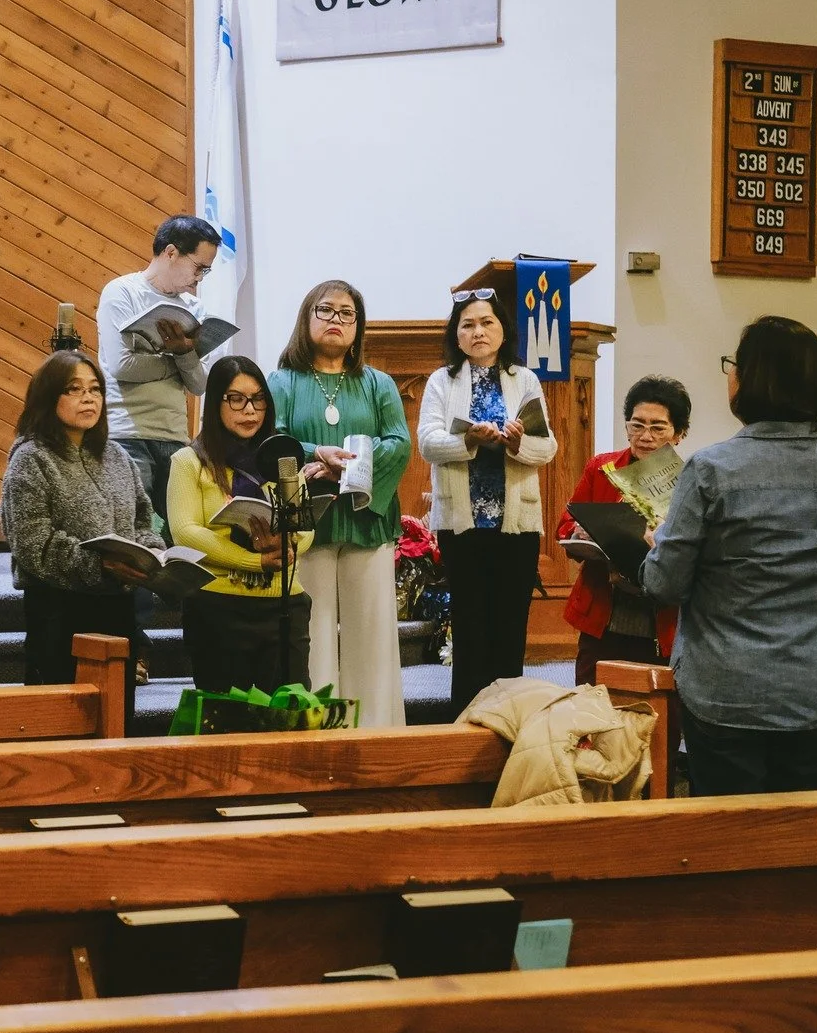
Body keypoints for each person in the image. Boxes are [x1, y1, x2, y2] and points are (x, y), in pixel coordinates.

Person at [640, 317, 817, 796]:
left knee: (727, 844)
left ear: (751, 381)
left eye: (735, 365)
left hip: (725, 692)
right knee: (793, 845)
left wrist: (660, 542)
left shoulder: (711, 469)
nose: (730, 374)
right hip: (807, 692)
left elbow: (662, 584)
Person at [268, 280, 413, 726]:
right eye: (325, 310)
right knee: (311, 631)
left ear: (358, 327)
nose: (335, 320)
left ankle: (373, 732)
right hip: (309, 522)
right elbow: (273, 439)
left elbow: (399, 443)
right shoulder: (283, 381)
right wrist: (317, 454)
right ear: (306, 318)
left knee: (370, 632)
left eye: (346, 314)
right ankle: (318, 729)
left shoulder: (378, 383)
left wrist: (346, 469)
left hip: (365, 518)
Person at [416, 288, 557, 715]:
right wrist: (469, 439)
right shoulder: (443, 380)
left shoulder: (524, 379)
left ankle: (509, 719)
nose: (478, 331)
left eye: (487, 322)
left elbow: (547, 447)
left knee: (511, 626)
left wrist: (517, 443)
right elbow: (427, 442)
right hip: (463, 523)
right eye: (468, 324)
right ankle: (466, 721)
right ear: (456, 335)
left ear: (502, 329)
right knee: (471, 626)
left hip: (515, 524)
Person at [0, 351, 160, 687]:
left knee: (117, 721)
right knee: (63, 723)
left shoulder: (117, 456)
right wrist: (99, 564)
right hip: (59, 612)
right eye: (75, 389)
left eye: (95, 389)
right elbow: (32, 544)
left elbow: (143, 521)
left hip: (118, 609)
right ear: (49, 397)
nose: (89, 398)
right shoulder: (31, 458)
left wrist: (152, 554)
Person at [169, 355, 315, 692]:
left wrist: (285, 545)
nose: (249, 410)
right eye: (236, 399)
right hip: (218, 607)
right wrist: (256, 560)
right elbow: (186, 532)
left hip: (283, 605)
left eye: (258, 399)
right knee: (228, 726)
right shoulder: (189, 461)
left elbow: (306, 525)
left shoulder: (283, 459)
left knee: (287, 720)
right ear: (216, 401)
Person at [557, 375, 691, 685]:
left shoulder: (690, 481)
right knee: (593, 707)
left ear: (679, 434)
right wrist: (581, 531)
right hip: (604, 608)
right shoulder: (601, 469)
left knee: (655, 718)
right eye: (637, 425)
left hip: (660, 618)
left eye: (658, 428)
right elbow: (564, 524)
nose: (645, 436)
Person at [96, 215, 220, 526]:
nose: (200, 277)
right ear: (170, 252)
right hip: (126, 433)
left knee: (177, 531)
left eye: (206, 270)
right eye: (199, 267)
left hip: (175, 435)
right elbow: (122, 366)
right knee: (132, 528)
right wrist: (178, 358)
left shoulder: (195, 309)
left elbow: (199, 384)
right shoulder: (121, 292)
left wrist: (182, 357)